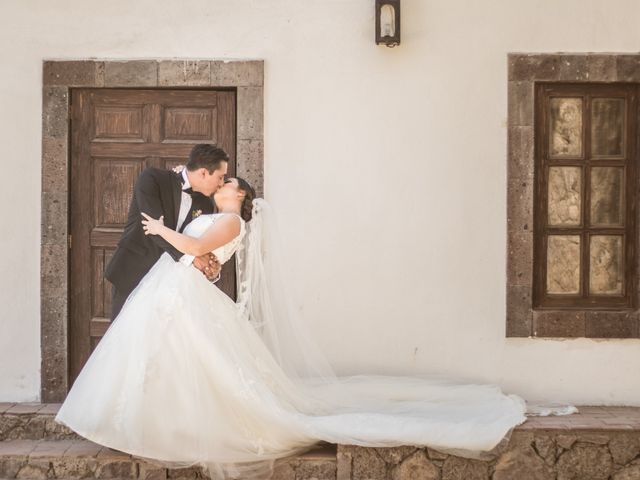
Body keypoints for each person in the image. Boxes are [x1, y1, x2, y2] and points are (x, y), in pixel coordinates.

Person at [56, 176, 556, 480]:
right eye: (225, 180)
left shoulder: (232, 223)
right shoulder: (213, 215)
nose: (225, 184)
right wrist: (194, 252)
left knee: (197, 365)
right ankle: (150, 421)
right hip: (174, 291)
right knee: (168, 361)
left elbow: (196, 250)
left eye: (231, 184)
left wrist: (164, 231)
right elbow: (204, 258)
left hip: (182, 293)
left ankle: (175, 425)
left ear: (241, 197)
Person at [105, 144, 229, 320]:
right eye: (220, 177)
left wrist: (210, 268)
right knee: (125, 340)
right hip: (134, 272)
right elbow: (153, 228)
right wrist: (191, 258)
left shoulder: (206, 204)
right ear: (203, 172)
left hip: (171, 285)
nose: (221, 183)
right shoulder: (152, 179)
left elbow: (197, 244)